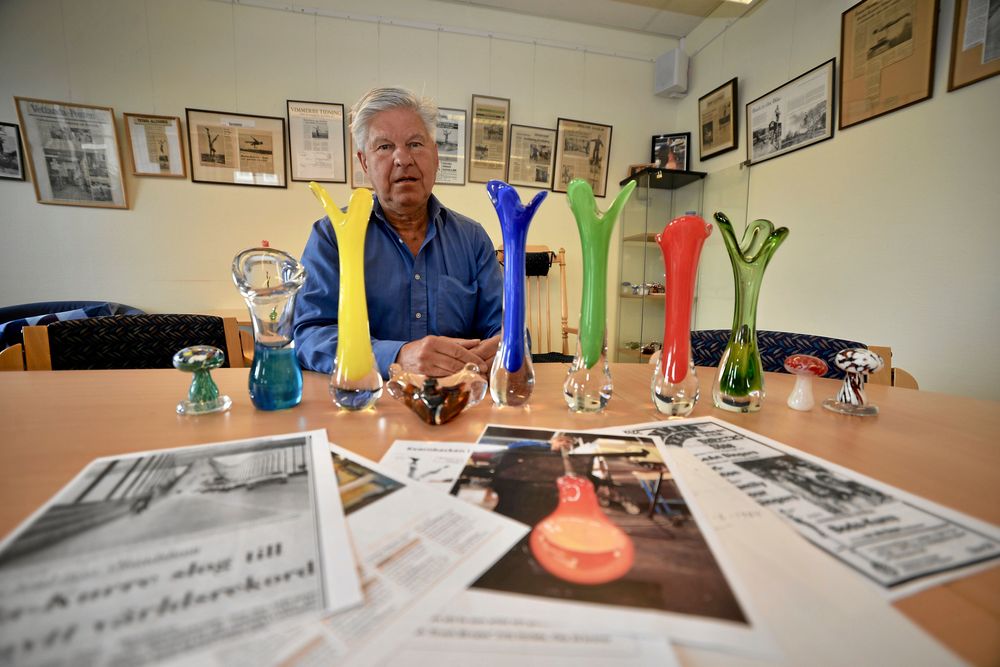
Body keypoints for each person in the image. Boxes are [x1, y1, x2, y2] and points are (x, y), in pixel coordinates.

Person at [293, 87, 502, 379]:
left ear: (436, 156)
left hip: (457, 403)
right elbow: (311, 335)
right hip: (365, 402)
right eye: (384, 147)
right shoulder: (332, 235)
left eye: (416, 144)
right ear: (365, 162)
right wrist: (397, 357)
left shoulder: (473, 239)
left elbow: (504, 325)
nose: (403, 159)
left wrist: (505, 347)